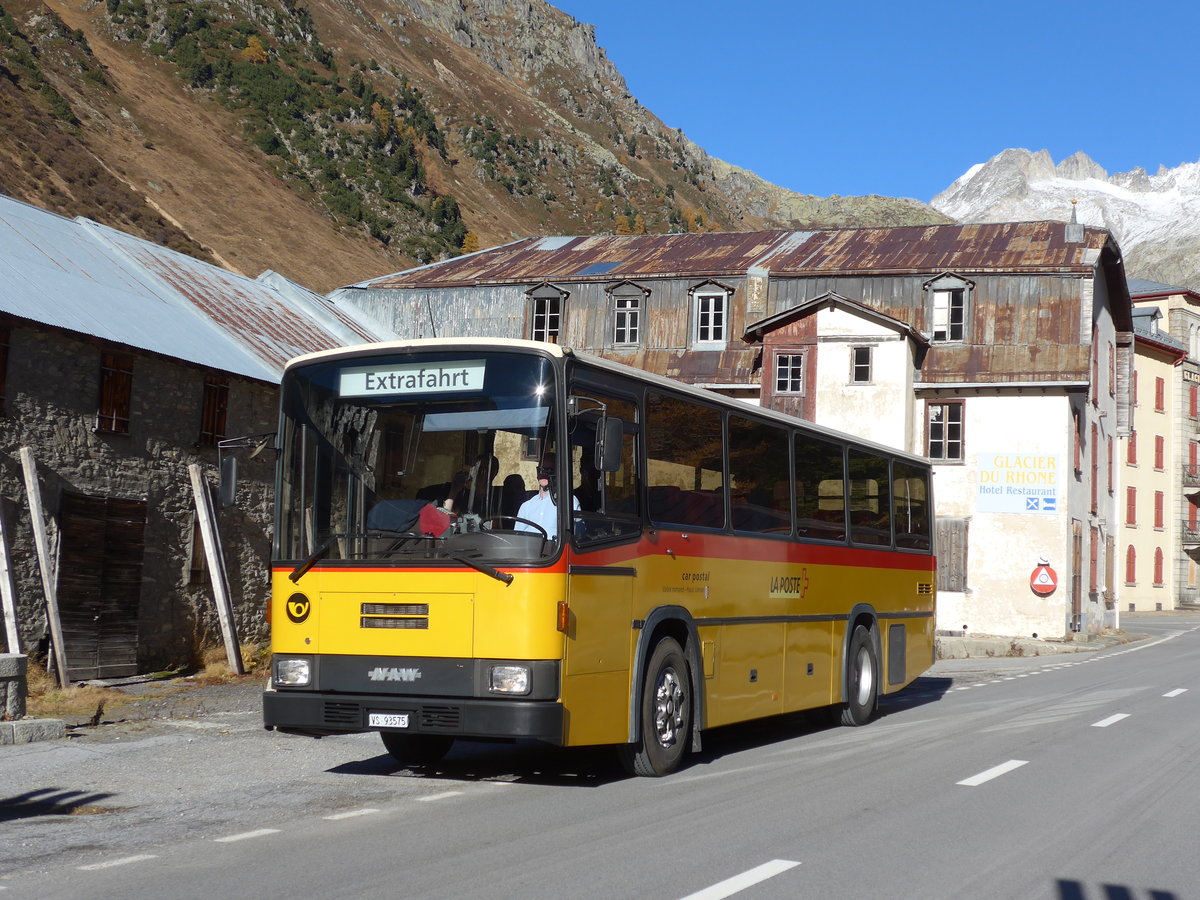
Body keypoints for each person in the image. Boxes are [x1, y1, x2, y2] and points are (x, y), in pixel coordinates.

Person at [516, 454, 578, 539]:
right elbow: (518, 538)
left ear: (557, 472)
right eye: (541, 470)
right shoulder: (526, 506)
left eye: (549, 470)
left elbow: (578, 534)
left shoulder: (569, 501)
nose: (544, 474)